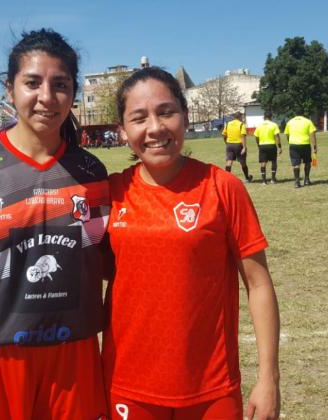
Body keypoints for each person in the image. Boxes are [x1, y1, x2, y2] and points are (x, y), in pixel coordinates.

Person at [0, 28, 110, 420]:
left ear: (73, 93)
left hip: (74, 355)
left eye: (60, 84)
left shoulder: (91, 171)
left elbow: (104, 261)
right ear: (9, 90)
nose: (47, 97)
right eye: (32, 83)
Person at [103, 67, 281, 420]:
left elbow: (259, 284)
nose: (155, 128)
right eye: (139, 118)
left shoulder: (222, 188)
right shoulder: (110, 193)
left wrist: (269, 378)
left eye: (166, 112)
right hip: (127, 384)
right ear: (123, 131)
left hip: (211, 387)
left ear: (185, 116)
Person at [283, 111, 318, 188]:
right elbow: (312, 134)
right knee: (307, 162)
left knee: (296, 164)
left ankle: (297, 182)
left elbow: (287, 134)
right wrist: (314, 147)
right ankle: (306, 180)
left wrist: (290, 141)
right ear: (303, 114)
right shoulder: (308, 121)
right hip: (305, 144)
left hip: (294, 145)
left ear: (295, 114)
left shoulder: (290, 122)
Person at [222, 111, 253, 182]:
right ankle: (247, 178)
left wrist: (226, 142)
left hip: (229, 144)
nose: (242, 118)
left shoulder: (228, 124)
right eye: (241, 117)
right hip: (239, 145)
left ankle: (226, 179)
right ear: (239, 117)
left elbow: (224, 135)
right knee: (243, 162)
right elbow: (243, 136)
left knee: (229, 162)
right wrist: (244, 147)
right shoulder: (241, 124)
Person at [254, 111, 283, 185]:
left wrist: (258, 144)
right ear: (271, 117)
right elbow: (277, 136)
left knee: (263, 163)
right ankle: (273, 179)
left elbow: (256, 137)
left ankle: (264, 181)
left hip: (262, 145)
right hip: (271, 145)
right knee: (273, 161)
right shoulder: (274, 125)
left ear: (264, 117)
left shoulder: (259, 125)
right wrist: (279, 147)